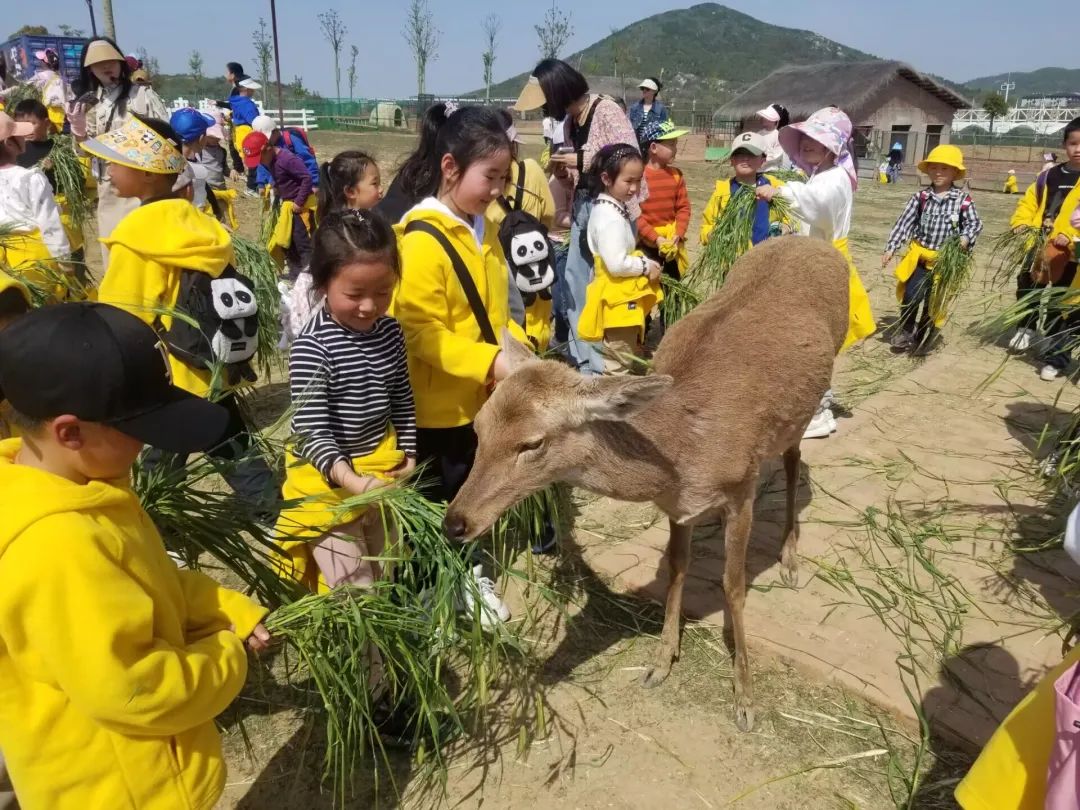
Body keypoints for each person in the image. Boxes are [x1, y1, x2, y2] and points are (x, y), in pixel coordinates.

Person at [0, 301, 270, 810]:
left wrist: (222, 607)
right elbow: (135, 690)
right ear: (70, 432)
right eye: (139, 429)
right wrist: (225, 659)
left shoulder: (84, 488)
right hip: (122, 791)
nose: (149, 444)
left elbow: (148, 579)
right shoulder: (58, 545)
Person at [87, 115, 279, 516]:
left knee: (162, 456)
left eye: (116, 163)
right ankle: (268, 508)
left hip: (168, 371)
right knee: (227, 439)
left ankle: (159, 521)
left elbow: (124, 315)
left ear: (146, 174)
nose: (109, 172)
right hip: (212, 359)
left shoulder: (136, 236)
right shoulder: (202, 226)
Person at [394, 105, 531, 624]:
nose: (498, 189)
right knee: (438, 503)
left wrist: (515, 347)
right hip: (436, 406)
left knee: (469, 493)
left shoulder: (484, 229)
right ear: (450, 168)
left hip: (477, 398)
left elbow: (493, 309)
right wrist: (491, 362)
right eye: (489, 177)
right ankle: (431, 590)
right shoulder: (422, 241)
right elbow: (420, 332)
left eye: (504, 178)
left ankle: (465, 576)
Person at [275, 209, 416, 591]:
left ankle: (382, 650)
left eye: (383, 292)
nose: (370, 306)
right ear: (322, 283)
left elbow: (402, 398)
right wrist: (351, 480)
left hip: (380, 472)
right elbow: (310, 430)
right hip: (330, 484)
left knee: (385, 572)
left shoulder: (390, 333)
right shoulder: (312, 348)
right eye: (354, 294)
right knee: (356, 588)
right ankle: (360, 651)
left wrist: (408, 452)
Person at [513, 58, 642, 375]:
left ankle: (607, 362)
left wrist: (581, 159)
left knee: (606, 283)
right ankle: (585, 358)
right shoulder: (571, 122)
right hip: (584, 207)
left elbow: (628, 156)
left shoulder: (606, 110)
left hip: (610, 213)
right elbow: (580, 171)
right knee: (574, 284)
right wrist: (565, 170)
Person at [757, 106, 876, 439]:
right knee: (803, 341)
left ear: (832, 147)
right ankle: (811, 403)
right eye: (806, 138)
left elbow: (816, 205)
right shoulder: (820, 175)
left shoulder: (834, 179)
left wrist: (778, 192)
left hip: (824, 268)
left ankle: (819, 412)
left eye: (817, 139)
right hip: (811, 262)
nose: (809, 144)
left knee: (812, 343)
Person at [67, 37, 167, 268]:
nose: (106, 66)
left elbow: (165, 136)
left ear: (121, 62)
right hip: (110, 187)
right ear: (89, 69)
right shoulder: (91, 104)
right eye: (98, 63)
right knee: (116, 253)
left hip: (145, 184)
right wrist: (79, 132)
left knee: (148, 251)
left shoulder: (142, 96)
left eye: (111, 60)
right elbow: (84, 152)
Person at [882, 144, 983, 355]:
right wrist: (891, 248)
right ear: (928, 170)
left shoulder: (963, 201)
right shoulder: (920, 199)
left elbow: (975, 225)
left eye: (945, 168)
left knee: (933, 300)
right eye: (934, 168)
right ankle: (907, 330)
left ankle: (924, 335)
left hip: (945, 261)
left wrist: (964, 239)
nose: (938, 172)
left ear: (955, 172)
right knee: (911, 295)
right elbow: (904, 224)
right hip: (920, 257)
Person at [578, 144, 662, 371]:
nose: (634, 188)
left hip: (621, 297)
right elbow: (616, 264)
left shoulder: (610, 209)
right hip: (618, 300)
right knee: (619, 362)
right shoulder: (611, 219)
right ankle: (619, 402)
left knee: (628, 353)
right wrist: (645, 265)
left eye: (638, 181)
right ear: (606, 178)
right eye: (628, 181)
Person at [1007, 119, 1080, 362]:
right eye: (1073, 143)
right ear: (1064, 145)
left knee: (1061, 297)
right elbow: (1029, 203)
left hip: (1070, 253)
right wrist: (1021, 223)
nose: (1078, 149)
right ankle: (1025, 328)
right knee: (1029, 287)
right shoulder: (1048, 176)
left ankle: (1051, 337)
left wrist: (1069, 236)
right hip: (1039, 244)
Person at [12, 99, 86, 277]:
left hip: (62, 219)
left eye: (31, 124)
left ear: (46, 123)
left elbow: (78, 181)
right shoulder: (16, 151)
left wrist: (58, 169)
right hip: (30, 222)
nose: (26, 130)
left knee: (72, 270)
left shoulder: (60, 149)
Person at [0, 111, 71, 292]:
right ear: (9, 143)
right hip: (31, 257)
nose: (25, 138)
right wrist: (64, 259)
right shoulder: (29, 178)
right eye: (19, 136)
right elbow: (49, 221)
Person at [244, 129, 314, 281]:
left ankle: (309, 276)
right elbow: (281, 177)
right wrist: (275, 185)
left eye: (259, 158)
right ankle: (295, 273)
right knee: (286, 242)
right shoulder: (271, 161)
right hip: (287, 206)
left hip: (299, 208)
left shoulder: (287, 159)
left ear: (267, 148)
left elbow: (306, 178)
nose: (260, 162)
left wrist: (299, 202)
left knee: (302, 242)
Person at [700, 131, 788, 247]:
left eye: (751, 154)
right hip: (733, 260)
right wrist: (711, 235)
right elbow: (706, 225)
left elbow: (793, 216)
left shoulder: (775, 186)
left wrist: (786, 227)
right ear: (732, 160)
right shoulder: (722, 191)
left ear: (762, 160)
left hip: (768, 256)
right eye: (740, 154)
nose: (745, 158)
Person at [636, 118, 691, 302]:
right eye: (671, 144)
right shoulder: (638, 178)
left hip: (670, 247)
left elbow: (683, 208)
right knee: (643, 293)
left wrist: (678, 233)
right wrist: (655, 238)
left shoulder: (676, 175)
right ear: (653, 147)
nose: (675, 148)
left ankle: (670, 329)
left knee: (672, 296)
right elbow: (635, 215)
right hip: (646, 247)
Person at [253, 114, 319, 193]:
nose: (267, 142)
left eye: (267, 139)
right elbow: (263, 164)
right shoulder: (267, 146)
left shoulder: (291, 139)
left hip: (301, 182)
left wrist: (314, 183)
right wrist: (261, 183)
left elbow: (308, 160)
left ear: (275, 131)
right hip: (282, 185)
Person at [318, 150, 382, 215]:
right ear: (350, 191)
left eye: (379, 183)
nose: (381, 189)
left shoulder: (366, 216)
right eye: (374, 183)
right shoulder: (346, 224)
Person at [230, 78, 262, 197]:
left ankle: (254, 185)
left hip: (240, 132)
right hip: (248, 131)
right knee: (255, 159)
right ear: (246, 89)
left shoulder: (236, 101)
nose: (253, 91)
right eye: (251, 89)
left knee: (251, 159)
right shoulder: (247, 104)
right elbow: (253, 120)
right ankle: (252, 186)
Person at [27, 49, 68, 133]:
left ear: (44, 62)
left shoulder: (41, 76)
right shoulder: (61, 78)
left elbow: (24, 87)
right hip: (62, 118)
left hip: (50, 119)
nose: (39, 62)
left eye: (41, 60)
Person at [756, 103, 790, 172]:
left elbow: (777, 154)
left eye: (767, 117)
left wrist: (765, 162)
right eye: (763, 117)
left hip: (771, 170)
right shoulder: (758, 134)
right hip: (757, 169)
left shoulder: (778, 135)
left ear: (775, 121)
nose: (763, 119)